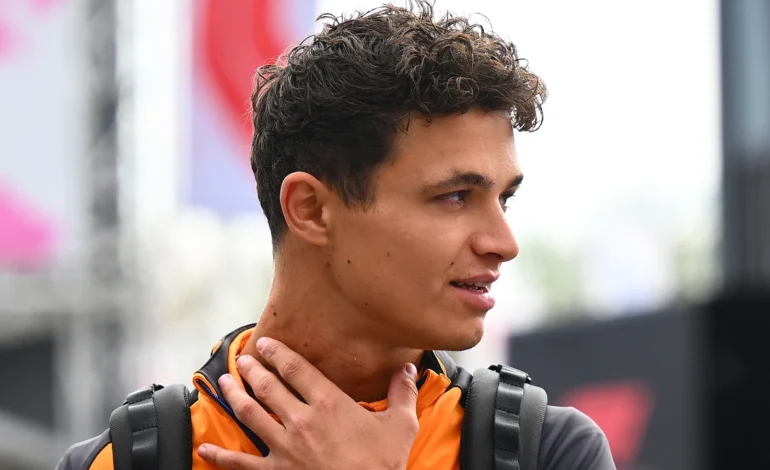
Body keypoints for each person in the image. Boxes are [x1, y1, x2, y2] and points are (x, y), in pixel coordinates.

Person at [57, 2, 615, 469]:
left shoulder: (548, 451)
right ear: (310, 210)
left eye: (504, 199)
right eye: (454, 196)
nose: (504, 243)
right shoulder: (125, 460)